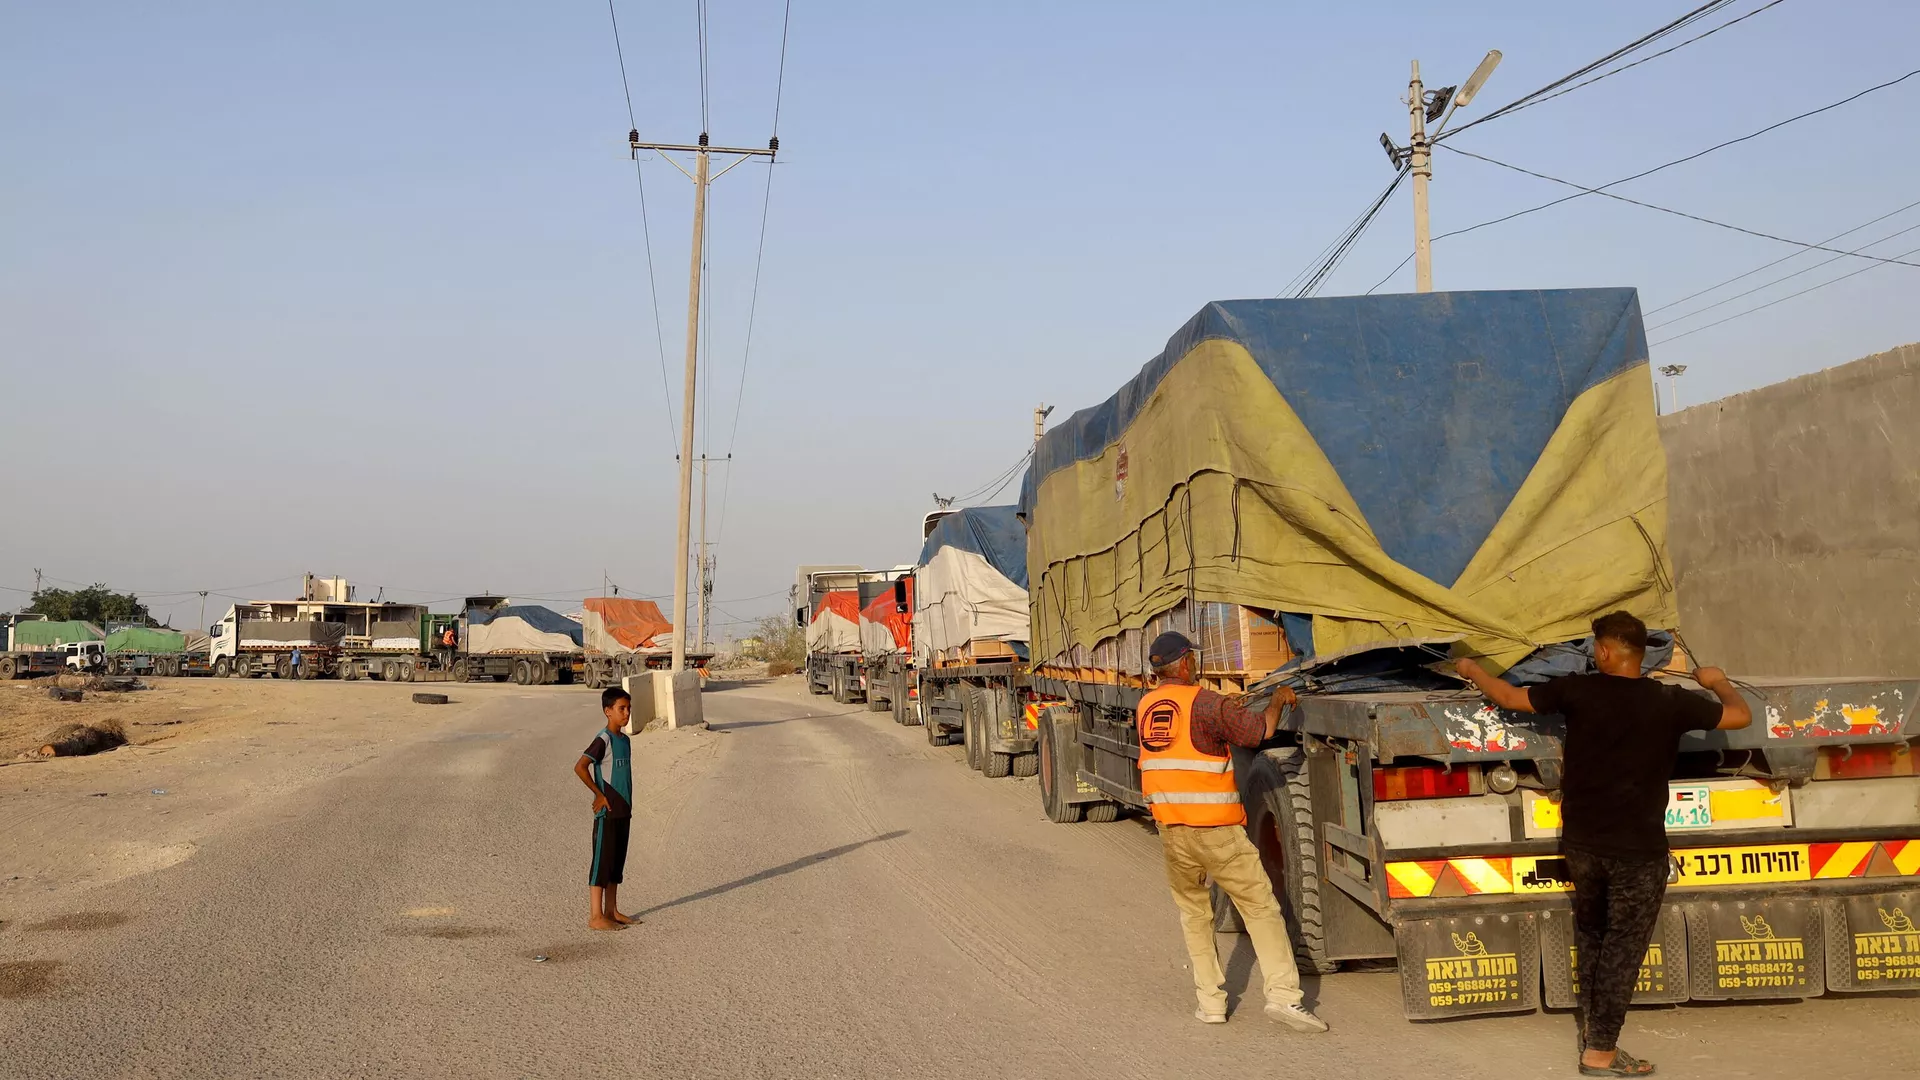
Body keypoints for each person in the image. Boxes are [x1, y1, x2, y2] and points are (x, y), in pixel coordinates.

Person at [1456, 612, 1750, 1078]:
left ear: (1606, 652)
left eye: (1596, 647)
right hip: (1638, 851)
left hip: (1582, 846)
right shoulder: (1671, 701)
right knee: (1623, 949)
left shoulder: (1578, 691)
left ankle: (1596, 1034)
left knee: (1593, 937)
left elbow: (1509, 696)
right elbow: (1740, 715)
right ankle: (1600, 1052)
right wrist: (1718, 681)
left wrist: (1472, 670)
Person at [1138, 630, 1328, 1033]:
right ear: (1186, 662)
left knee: (1194, 914)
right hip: (1217, 832)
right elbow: (1257, 733)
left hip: (1172, 831)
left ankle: (1210, 1003)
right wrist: (1276, 701)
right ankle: (1284, 998)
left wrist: (1228, 707)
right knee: (1260, 907)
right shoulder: (1207, 703)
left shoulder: (1147, 705)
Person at [573, 687, 642, 931]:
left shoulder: (625, 740)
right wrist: (599, 794)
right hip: (608, 811)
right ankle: (596, 916)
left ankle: (611, 910)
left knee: (616, 862)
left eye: (629, 708)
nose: (626, 713)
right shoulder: (604, 739)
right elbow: (581, 767)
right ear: (607, 711)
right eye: (621, 709)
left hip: (624, 811)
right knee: (602, 862)